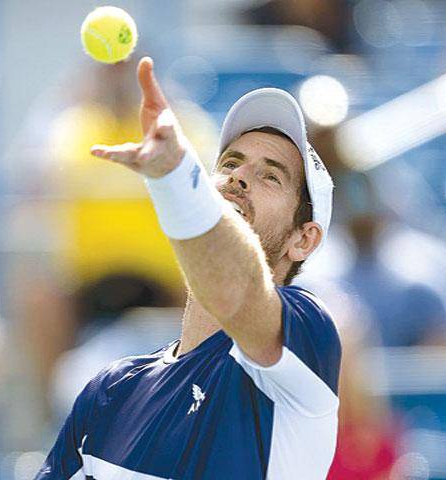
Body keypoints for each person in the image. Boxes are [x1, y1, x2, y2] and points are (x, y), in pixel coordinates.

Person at [35, 57, 341, 480]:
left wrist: (174, 179)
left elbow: (235, 292)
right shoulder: (108, 393)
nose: (239, 178)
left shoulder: (309, 336)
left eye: (270, 176)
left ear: (303, 239)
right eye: (230, 163)